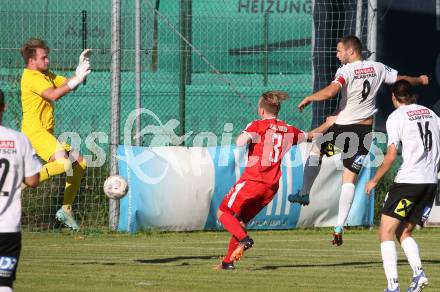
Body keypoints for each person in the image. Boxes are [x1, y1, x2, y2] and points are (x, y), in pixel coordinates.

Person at [287, 35, 429, 246]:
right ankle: (339, 225)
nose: (337, 55)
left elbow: (332, 91)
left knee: (316, 150)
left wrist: (310, 97)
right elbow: (401, 79)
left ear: (351, 51)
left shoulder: (345, 71)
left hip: (342, 128)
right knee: (349, 178)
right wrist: (420, 80)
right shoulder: (378, 68)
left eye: (339, 51)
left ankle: (305, 193)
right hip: (363, 131)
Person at [216, 90, 307, 270]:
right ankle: (228, 262)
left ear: (262, 110)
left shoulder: (258, 125)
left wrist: (248, 135)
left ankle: (244, 239)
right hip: (271, 187)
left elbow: (240, 142)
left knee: (223, 213)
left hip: (253, 180)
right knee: (240, 222)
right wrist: (328, 125)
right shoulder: (288, 129)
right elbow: (308, 135)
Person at [365, 80, 438, 292]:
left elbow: (390, 156)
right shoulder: (431, 114)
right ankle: (418, 274)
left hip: (409, 182)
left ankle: (392, 286)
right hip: (429, 183)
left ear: (394, 98)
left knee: (385, 232)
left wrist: (374, 179)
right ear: (413, 96)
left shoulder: (396, 117)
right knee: (403, 232)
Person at [20, 38, 91, 231]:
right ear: (32, 61)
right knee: (64, 164)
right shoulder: (32, 77)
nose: (47, 60)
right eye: (44, 58)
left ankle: (66, 210)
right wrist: (76, 79)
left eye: (47, 57)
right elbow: (53, 95)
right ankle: (18, 186)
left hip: (45, 133)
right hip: (34, 132)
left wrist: (78, 72)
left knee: (80, 163)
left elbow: (66, 85)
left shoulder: (45, 75)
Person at [0, 89, 42, 292]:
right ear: (4, 108)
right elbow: (33, 180)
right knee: (4, 284)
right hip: (8, 229)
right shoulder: (19, 139)